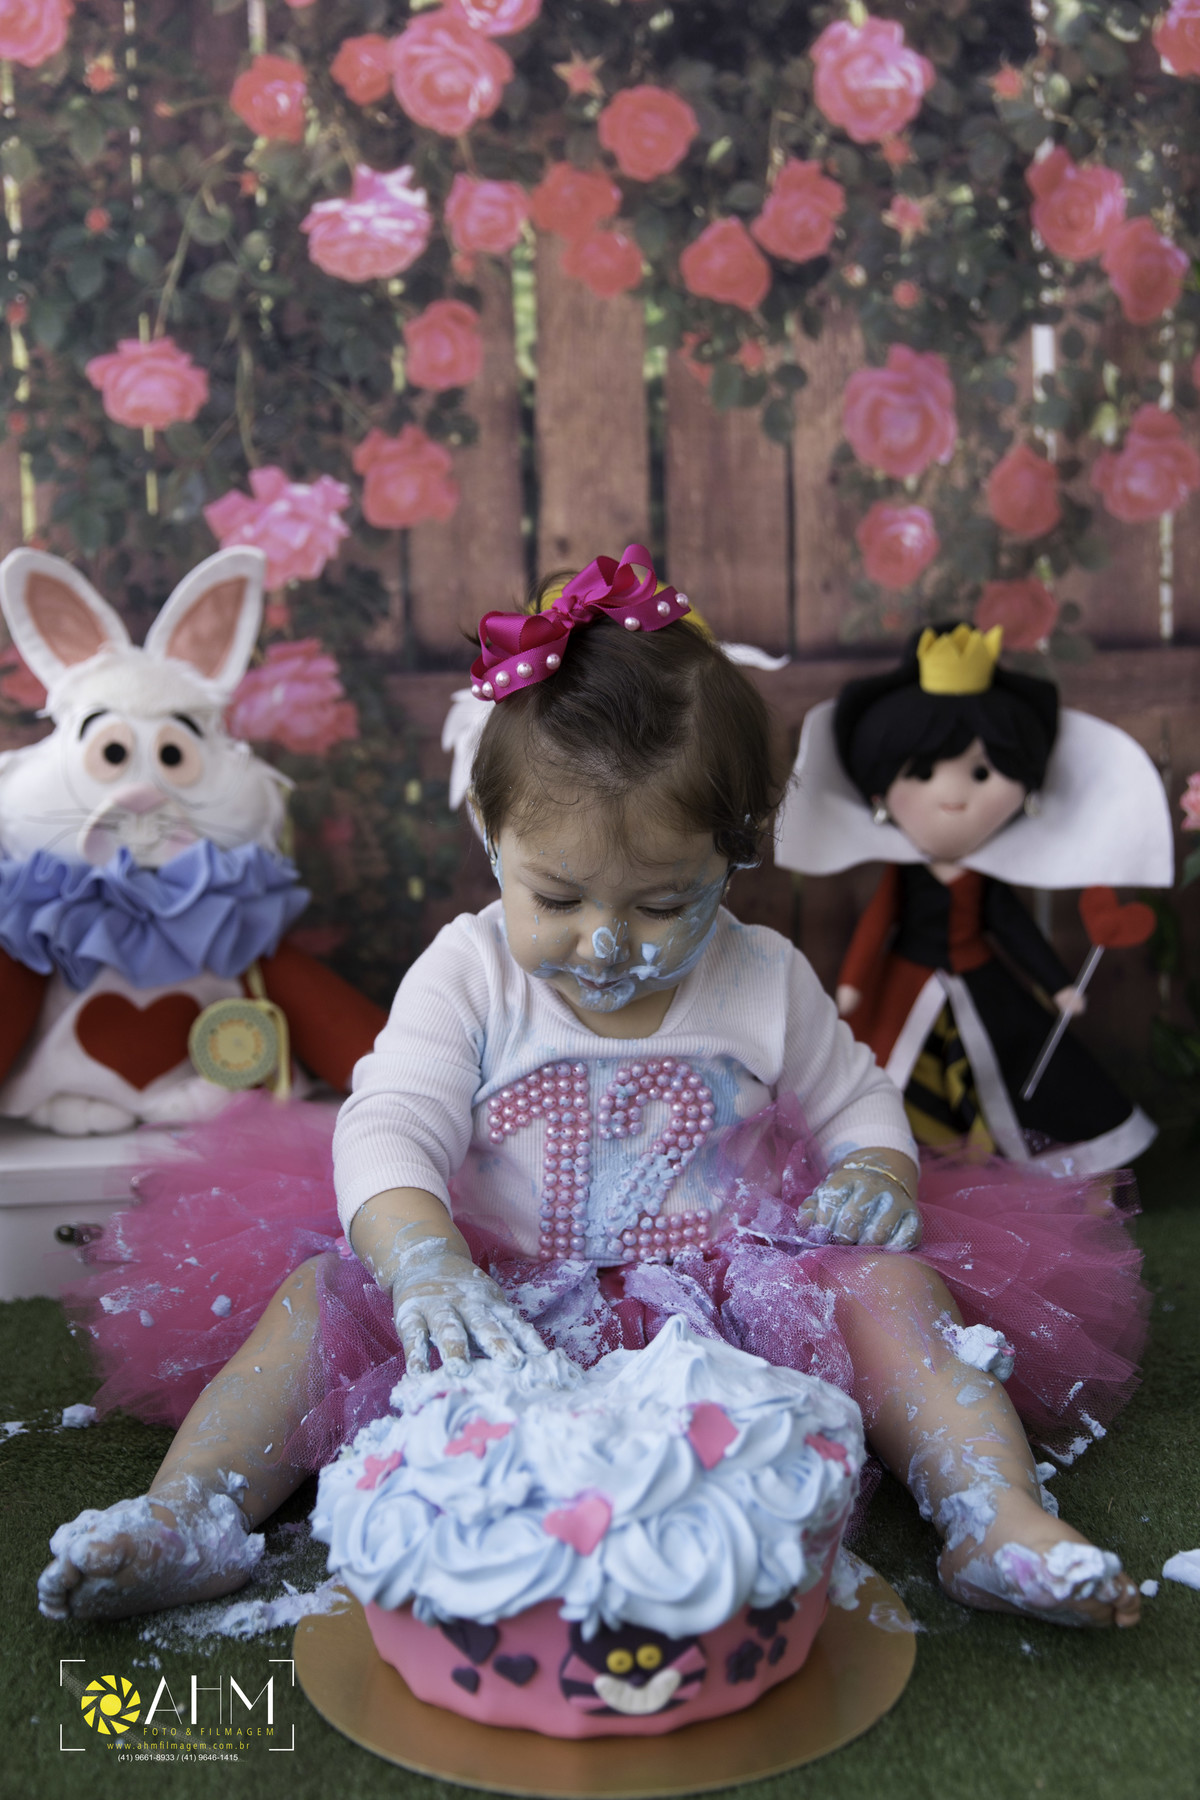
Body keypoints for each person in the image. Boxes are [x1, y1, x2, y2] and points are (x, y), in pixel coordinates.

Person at [38, 552, 1145, 1632]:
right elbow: (391, 1123)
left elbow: (857, 1099)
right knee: (321, 1297)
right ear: (494, 838)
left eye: (663, 905)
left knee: (897, 1290)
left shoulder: (765, 979)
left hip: (734, 1300)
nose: (607, 943)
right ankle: (191, 1513)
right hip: (491, 1290)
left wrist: (875, 1169)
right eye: (559, 899)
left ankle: (991, 1513)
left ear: (734, 858)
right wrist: (422, 1260)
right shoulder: (469, 973)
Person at [777, 623, 1166, 1173]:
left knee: (1016, 1064)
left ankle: (1010, 1158)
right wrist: (852, 983)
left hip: (983, 978)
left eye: (982, 772)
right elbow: (878, 922)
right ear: (880, 791)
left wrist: (1057, 984)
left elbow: (1013, 928)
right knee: (882, 1073)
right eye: (923, 773)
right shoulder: (903, 875)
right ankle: (892, 1156)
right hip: (903, 979)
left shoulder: (986, 882)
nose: (953, 795)